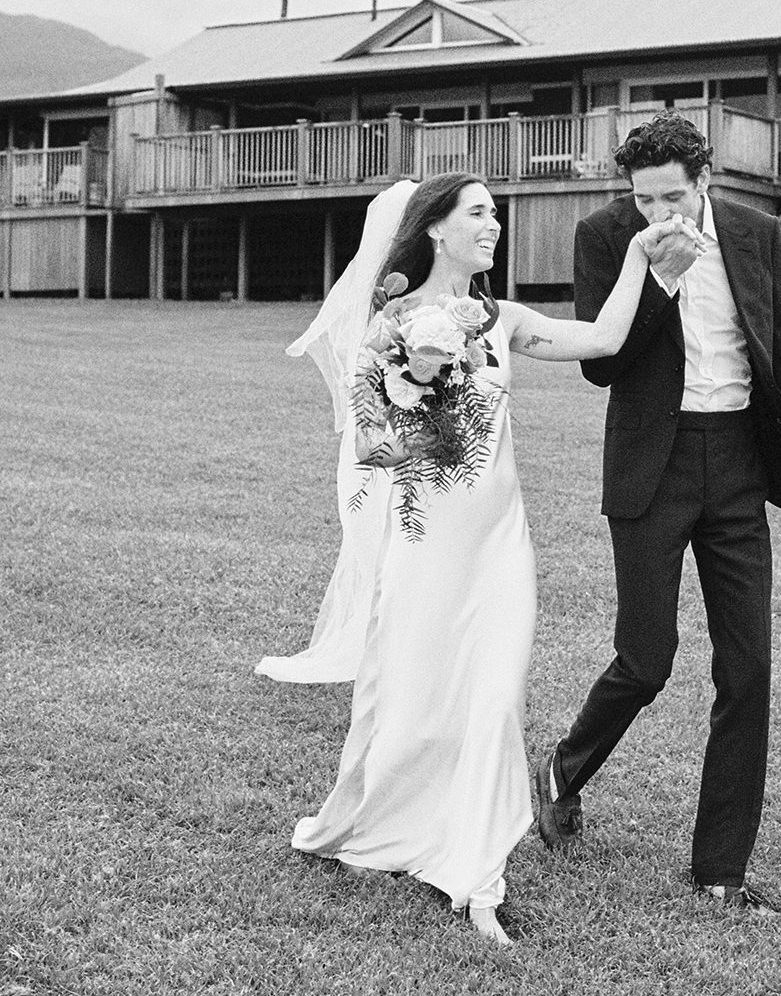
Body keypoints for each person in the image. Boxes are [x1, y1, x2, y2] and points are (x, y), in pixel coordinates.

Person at [259, 172, 691, 946]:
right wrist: (434, 424)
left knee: (494, 697)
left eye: (497, 214)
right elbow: (368, 442)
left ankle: (477, 873)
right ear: (435, 228)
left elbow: (602, 340)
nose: (494, 224)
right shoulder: (387, 325)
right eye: (480, 213)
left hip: (501, 546)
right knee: (411, 698)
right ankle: (376, 818)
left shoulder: (504, 319)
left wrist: (639, 261)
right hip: (427, 546)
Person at [535, 111, 781, 915]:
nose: (656, 214)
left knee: (749, 669)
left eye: (670, 197)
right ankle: (562, 769)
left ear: (705, 183)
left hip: (737, 465)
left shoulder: (756, 234)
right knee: (647, 658)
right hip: (651, 468)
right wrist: (658, 280)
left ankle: (720, 871)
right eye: (643, 199)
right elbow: (604, 365)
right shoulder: (606, 236)